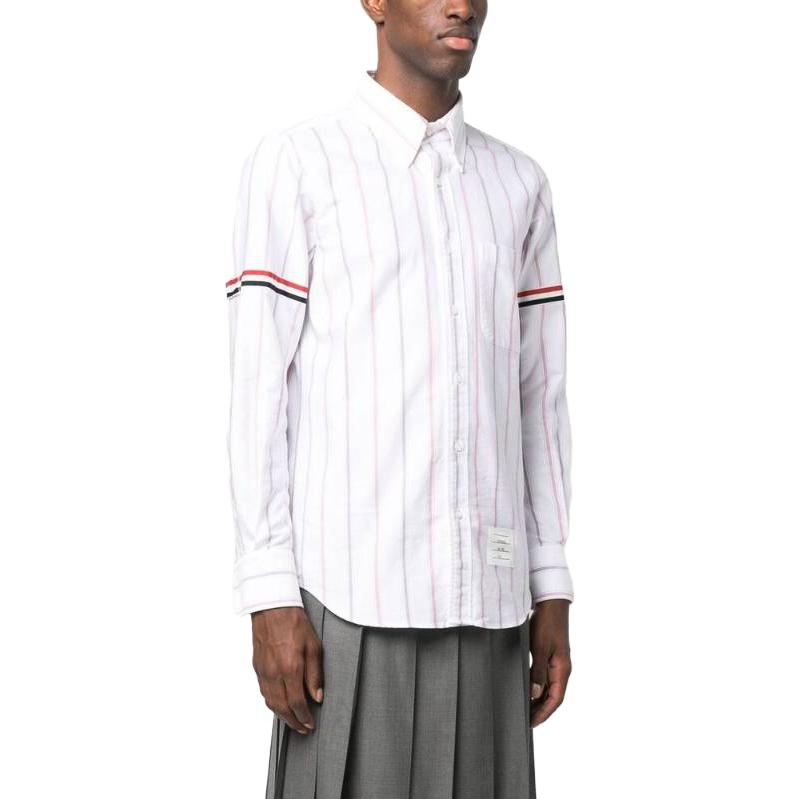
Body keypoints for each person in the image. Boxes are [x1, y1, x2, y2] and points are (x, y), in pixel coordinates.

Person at [224, 2, 574, 797]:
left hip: (490, 605)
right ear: (373, 2)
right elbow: (257, 392)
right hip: (345, 604)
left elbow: (539, 399)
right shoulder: (298, 164)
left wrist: (550, 583)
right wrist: (268, 591)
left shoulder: (518, 185)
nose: (463, 5)